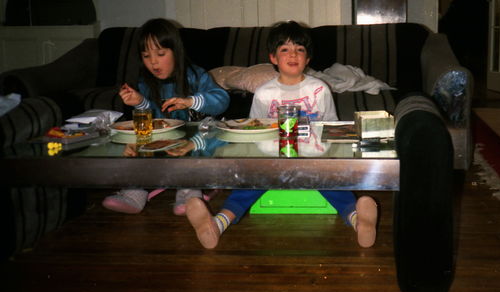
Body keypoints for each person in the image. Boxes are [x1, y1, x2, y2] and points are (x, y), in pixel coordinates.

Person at [185, 21, 378, 249]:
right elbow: (254, 130)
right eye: (285, 49)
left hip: (312, 158)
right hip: (272, 159)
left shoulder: (319, 89)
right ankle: (217, 224)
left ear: (307, 59)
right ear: (273, 58)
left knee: (331, 181)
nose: (293, 54)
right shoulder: (265, 93)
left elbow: (331, 127)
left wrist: (334, 157)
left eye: (300, 49)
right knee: (248, 183)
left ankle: (359, 222)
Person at [102, 18, 230, 215]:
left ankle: (189, 192)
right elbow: (157, 119)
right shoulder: (146, 81)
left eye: (161, 54)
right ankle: (135, 191)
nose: (153, 62)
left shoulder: (195, 75)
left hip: (199, 140)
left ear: (176, 52)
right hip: (166, 140)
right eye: (146, 56)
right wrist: (140, 103)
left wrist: (191, 101)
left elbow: (222, 100)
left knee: (204, 139)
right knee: (139, 142)